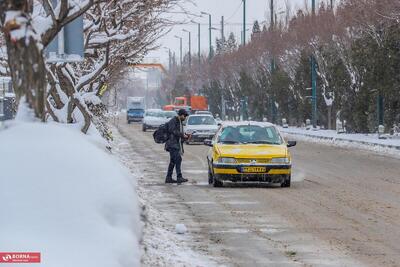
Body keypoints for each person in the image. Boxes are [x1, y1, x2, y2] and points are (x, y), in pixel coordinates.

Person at [165, 109, 190, 184]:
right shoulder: (174, 120)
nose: (185, 117)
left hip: (175, 144)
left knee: (173, 161)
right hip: (172, 144)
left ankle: (168, 178)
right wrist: (182, 135)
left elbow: (179, 134)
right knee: (178, 159)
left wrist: (186, 136)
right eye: (184, 115)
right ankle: (179, 177)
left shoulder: (180, 122)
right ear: (180, 115)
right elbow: (172, 130)